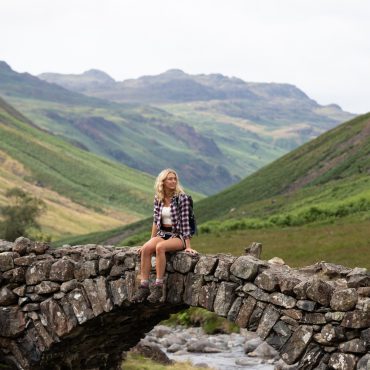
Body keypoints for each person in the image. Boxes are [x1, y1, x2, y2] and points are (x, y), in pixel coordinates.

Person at [133, 168, 198, 303]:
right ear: (163, 182)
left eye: (175, 179)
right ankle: (144, 286)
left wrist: (188, 246)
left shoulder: (182, 199)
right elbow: (156, 222)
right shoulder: (159, 198)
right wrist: (150, 241)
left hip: (177, 236)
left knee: (160, 247)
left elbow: (185, 223)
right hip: (163, 233)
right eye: (170, 179)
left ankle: (158, 286)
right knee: (145, 249)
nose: (173, 181)